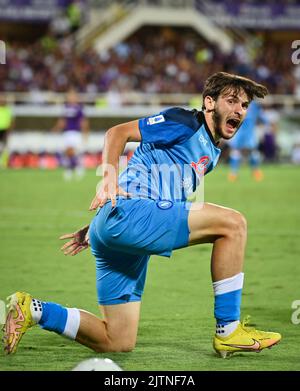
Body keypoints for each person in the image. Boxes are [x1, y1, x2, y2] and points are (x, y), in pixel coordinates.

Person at [3, 72, 281, 359]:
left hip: (117, 224)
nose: (239, 110)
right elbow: (117, 133)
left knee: (117, 340)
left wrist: (96, 226)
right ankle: (228, 330)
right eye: (232, 100)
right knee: (233, 224)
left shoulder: (212, 151)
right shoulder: (185, 121)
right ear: (209, 103)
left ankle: (33, 309)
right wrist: (108, 181)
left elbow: (157, 182)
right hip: (129, 214)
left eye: (245, 105)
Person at [52, 89, 89, 180]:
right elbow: (62, 121)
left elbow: (83, 122)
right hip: (67, 132)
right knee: (67, 152)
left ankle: (79, 168)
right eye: (69, 96)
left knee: (75, 152)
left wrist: (85, 133)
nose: (71, 98)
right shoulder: (65, 108)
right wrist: (56, 128)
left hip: (75, 133)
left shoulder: (79, 109)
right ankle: (69, 169)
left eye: (73, 96)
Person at [227, 100, 268, 182]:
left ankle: (253, 171)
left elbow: (262, 118)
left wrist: (264, 124)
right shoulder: (241, 103)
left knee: (251, 152)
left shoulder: (253, 105)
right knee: (238, 151)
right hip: (240, 131)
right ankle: (234, 173)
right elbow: (263, 118)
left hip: (246, 132)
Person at [0, 95, 14, 168]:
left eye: (2, 100)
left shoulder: (7, 110)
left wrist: (9, 131)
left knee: (5, 147)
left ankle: (4, 163)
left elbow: (11, 121)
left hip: (4, 130)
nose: (2, 101)